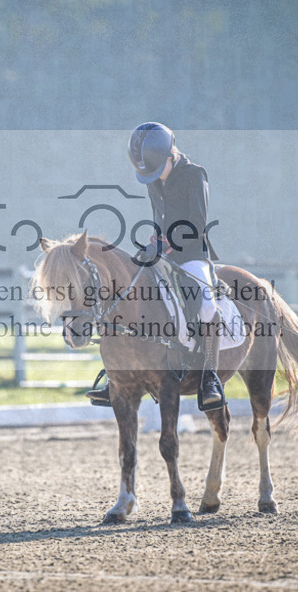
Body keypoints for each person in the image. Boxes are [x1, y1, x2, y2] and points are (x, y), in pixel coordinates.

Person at [86, 122, 227, 411]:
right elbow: (158, 219)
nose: (155, 178)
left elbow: (197, 223)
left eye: (157, 170)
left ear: (171, 154)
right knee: (130, 294)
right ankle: (115, 379)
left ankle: (210, 377)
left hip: (192, 254)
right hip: (163, 252)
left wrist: (168, 245)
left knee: (208, 306)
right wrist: (153, 245)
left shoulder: (194, 175)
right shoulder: (153, 181)